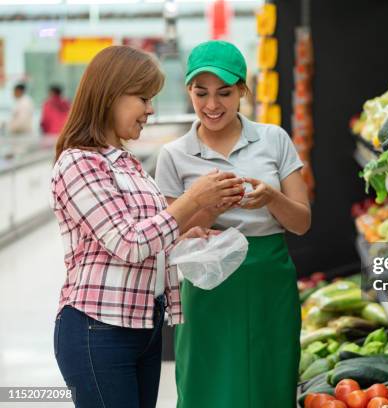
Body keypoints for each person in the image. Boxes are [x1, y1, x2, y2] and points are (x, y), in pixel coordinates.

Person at [50, 45, 244, 408]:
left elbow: (147, 239)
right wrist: (194, 200)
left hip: (144, 324)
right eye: (143, 98)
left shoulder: (126, 163)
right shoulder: (78, 163)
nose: (150, 109)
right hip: (98, 328)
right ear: (109, 96)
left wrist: (187, 236)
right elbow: (128, 243)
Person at [155, 40, 311, 407]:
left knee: (269, 379)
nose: (212, 105)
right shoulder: (174, 156)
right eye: (201, 92)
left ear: (242, 89)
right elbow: (169, 236)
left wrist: (271, 197)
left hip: (268, 281)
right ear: (188, 91)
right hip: (207, 284)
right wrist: (208, 205)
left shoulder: (274, 139)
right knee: (206, 383)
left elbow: (302, 222)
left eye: (224, 93)